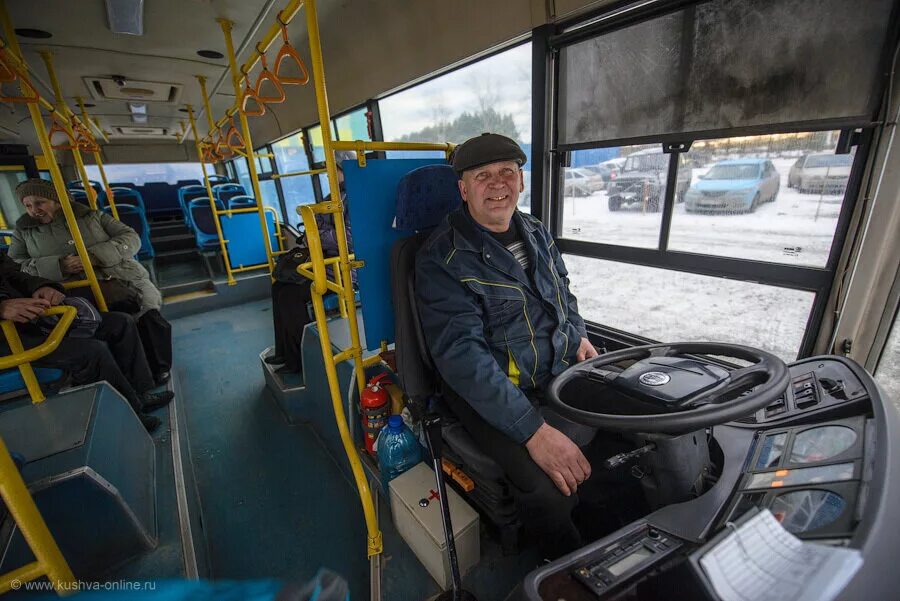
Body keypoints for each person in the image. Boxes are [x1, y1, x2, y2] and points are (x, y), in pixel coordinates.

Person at [415, 133, 637, 558]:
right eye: (483, 176)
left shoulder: (535, 231)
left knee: (632, 428)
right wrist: (533, 431)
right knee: (547, 490)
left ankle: (618, 535)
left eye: (507, 173)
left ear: (521, 181)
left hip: (555, 367)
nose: (498, 184)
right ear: (463, 189)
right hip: (492, 393)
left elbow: (563, 292)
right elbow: (464, 360)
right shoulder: (441, 260)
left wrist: (579, 335)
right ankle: (563, 565)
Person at [8, 179, 172, 384]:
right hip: (70, 288)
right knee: (101, 324)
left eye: (40, 203)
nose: (34, 210)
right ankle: (124, 376)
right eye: (28, 205)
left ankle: (159, 367)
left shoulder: (92, 216)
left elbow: (130, 238)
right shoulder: (24, 231)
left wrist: (93, 257)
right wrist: (59, 265)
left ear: (57, 201)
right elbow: (16, 266)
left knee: (147, 313)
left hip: (119, 277)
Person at [0, 252, 172, 432]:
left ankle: (141, 393)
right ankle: (131, 413)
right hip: (7, 336)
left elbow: (12, 274)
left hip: (28, 319)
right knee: (91, 351)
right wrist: (2, 307)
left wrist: (41, 286)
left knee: (120, 323)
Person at [266, 151, 356, 375]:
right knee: (278, 286)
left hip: (344, 267)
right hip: (325, 260)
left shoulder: (357, 197)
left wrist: (317, 236)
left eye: (331, 169)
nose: (327, 173)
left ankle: (298, 361)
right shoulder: (331, 197)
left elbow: (349, 238)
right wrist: (316, 235)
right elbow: (316, 227)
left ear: (344, 169)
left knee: (289, 295)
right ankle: (285, 351)